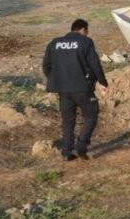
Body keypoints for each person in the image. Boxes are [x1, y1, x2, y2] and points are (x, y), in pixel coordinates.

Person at [41, 18, 109, 161]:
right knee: (91, 115)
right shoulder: (85, 42)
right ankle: (81, 146)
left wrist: (58, 80)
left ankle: (66, 152)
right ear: (83, 29)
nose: (87, 34)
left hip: (63, 90)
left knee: (68, 121)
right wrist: (103, 82)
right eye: (87, 31)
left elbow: (46, 66)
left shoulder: (54, 43)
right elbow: (95, 64)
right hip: (82, 88)